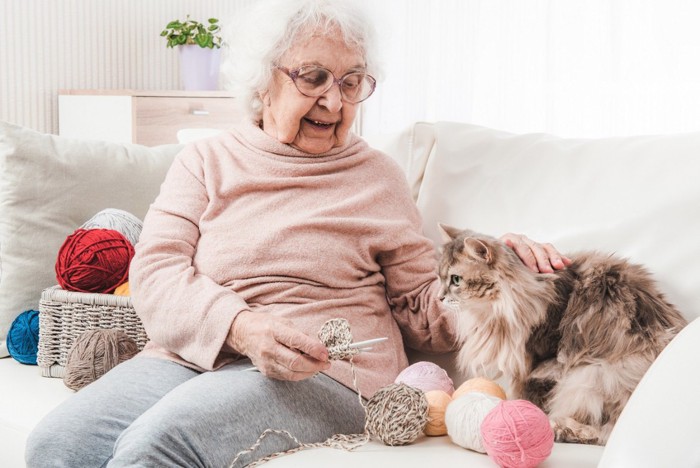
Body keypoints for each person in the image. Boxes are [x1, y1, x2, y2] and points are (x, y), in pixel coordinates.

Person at [25, 1, 569, 466]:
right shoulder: (206, 161)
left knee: (157, 445)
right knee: (56, 443)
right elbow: (156, 272)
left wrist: (496, 273)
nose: (334, 102)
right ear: (263, 81)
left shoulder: (376, 178)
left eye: (351, 82)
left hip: (328, 372)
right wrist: (240, 328)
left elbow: (422, 308)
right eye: (313, 78)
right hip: (189, 353)